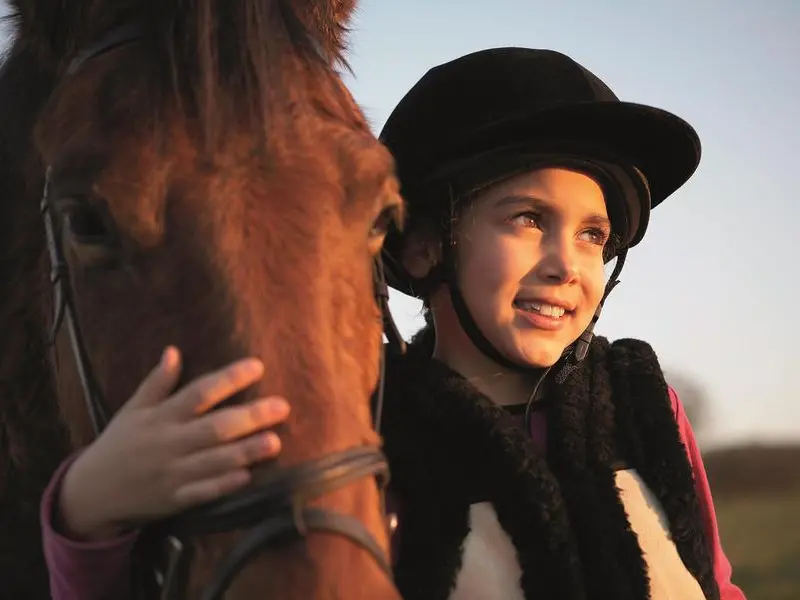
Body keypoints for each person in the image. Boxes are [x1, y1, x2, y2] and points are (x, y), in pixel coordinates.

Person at [40, 47, 746, 600]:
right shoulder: (363, 431)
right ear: (422, 244)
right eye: (529, 218)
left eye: (595, 235)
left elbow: (715, 584)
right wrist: (86, 513)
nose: (569, 264)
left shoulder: (647, 406)